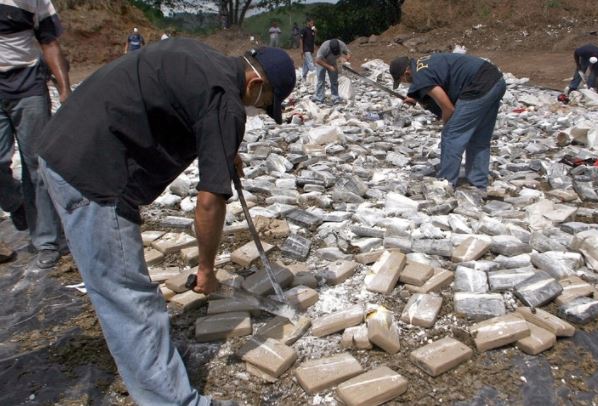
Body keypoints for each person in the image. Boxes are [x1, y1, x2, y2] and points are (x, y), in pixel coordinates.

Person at [38, 40, 296, 406]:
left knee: (124, 290)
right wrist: (206, 269)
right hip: (92, 172)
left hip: (64, 145)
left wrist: (222, 149)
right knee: (127, 296)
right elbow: (208, 204)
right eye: (264, 103)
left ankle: (158, 363)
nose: (256, 110)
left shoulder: (205, 60)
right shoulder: (226, 99)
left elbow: (178, 103)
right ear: (254, 85)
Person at [0, 0, 71, 269]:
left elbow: (50, 44)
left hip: (28, 87)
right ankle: (15, 201)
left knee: (37, 166)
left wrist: (65, 90)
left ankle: (47, 241)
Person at [390, 53, 506, 192]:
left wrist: (447, 125)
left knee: (451, 135)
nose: (407, 83)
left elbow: (448, 108)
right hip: (496, 81)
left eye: (403, 80)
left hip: (478, 86)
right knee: (479, 137)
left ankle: (446, 183)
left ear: (406, 72)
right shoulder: (422, 64)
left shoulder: (420, 76)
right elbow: (438, 82)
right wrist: (415, 97)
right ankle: (479, 185)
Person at [312, 39, 351, 105]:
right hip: (322, 61)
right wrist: (329, 67)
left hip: (333, 62)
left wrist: (345, 59)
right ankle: (319, 98)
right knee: (321, 80)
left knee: (334, 80)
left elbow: (348, 54)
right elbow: (317, 60)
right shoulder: (325, 47)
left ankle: (335, 97)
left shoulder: (342, 45)